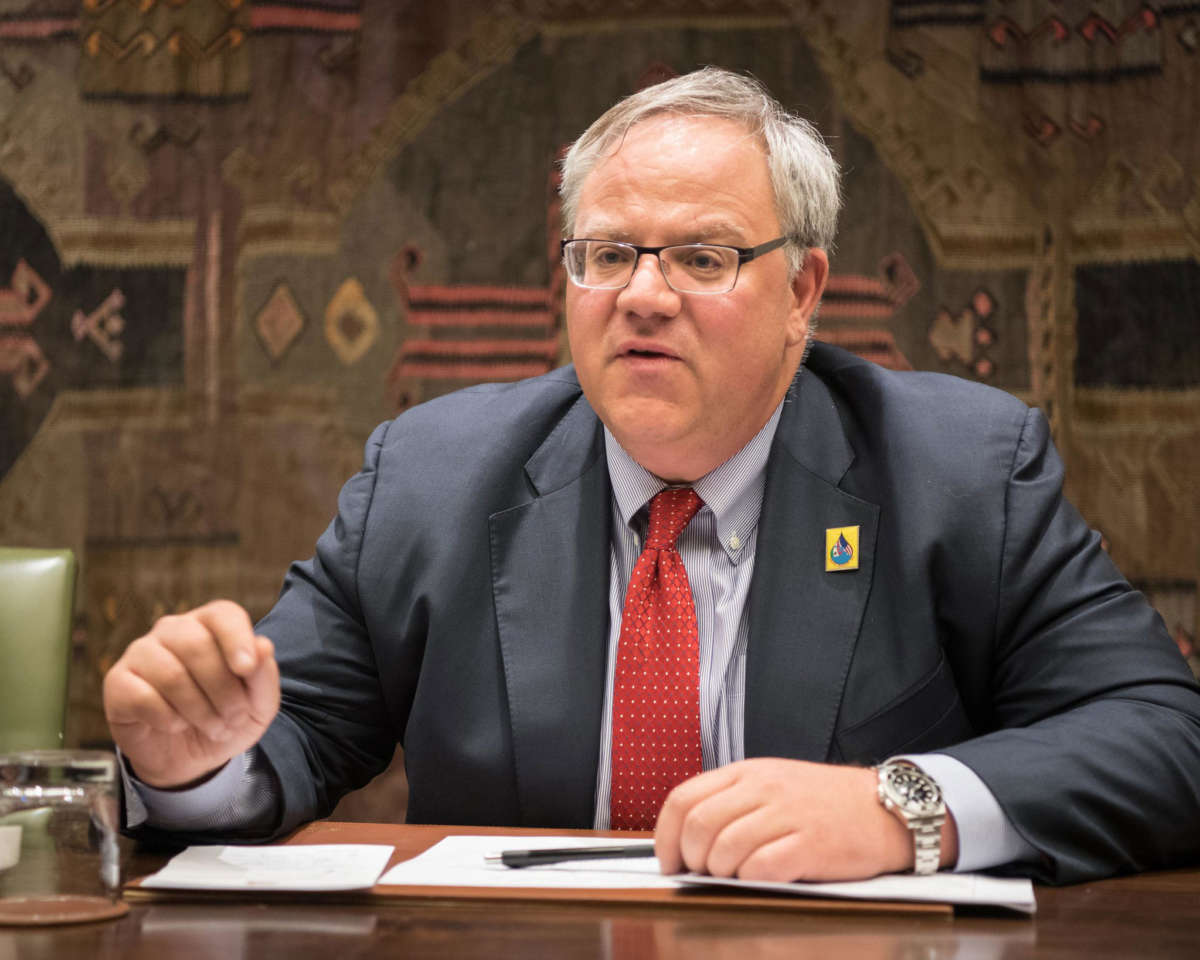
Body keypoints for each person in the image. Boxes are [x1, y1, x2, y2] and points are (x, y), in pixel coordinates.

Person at [103, 68, 1200, 885]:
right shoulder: (430, 478)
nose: (642, 294)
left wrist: (901, 808)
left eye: (703, 257)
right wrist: (192, 766)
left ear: (803, 291)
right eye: (608, 253)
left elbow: (1163, 736)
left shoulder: (962, 472)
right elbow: (281, 742)